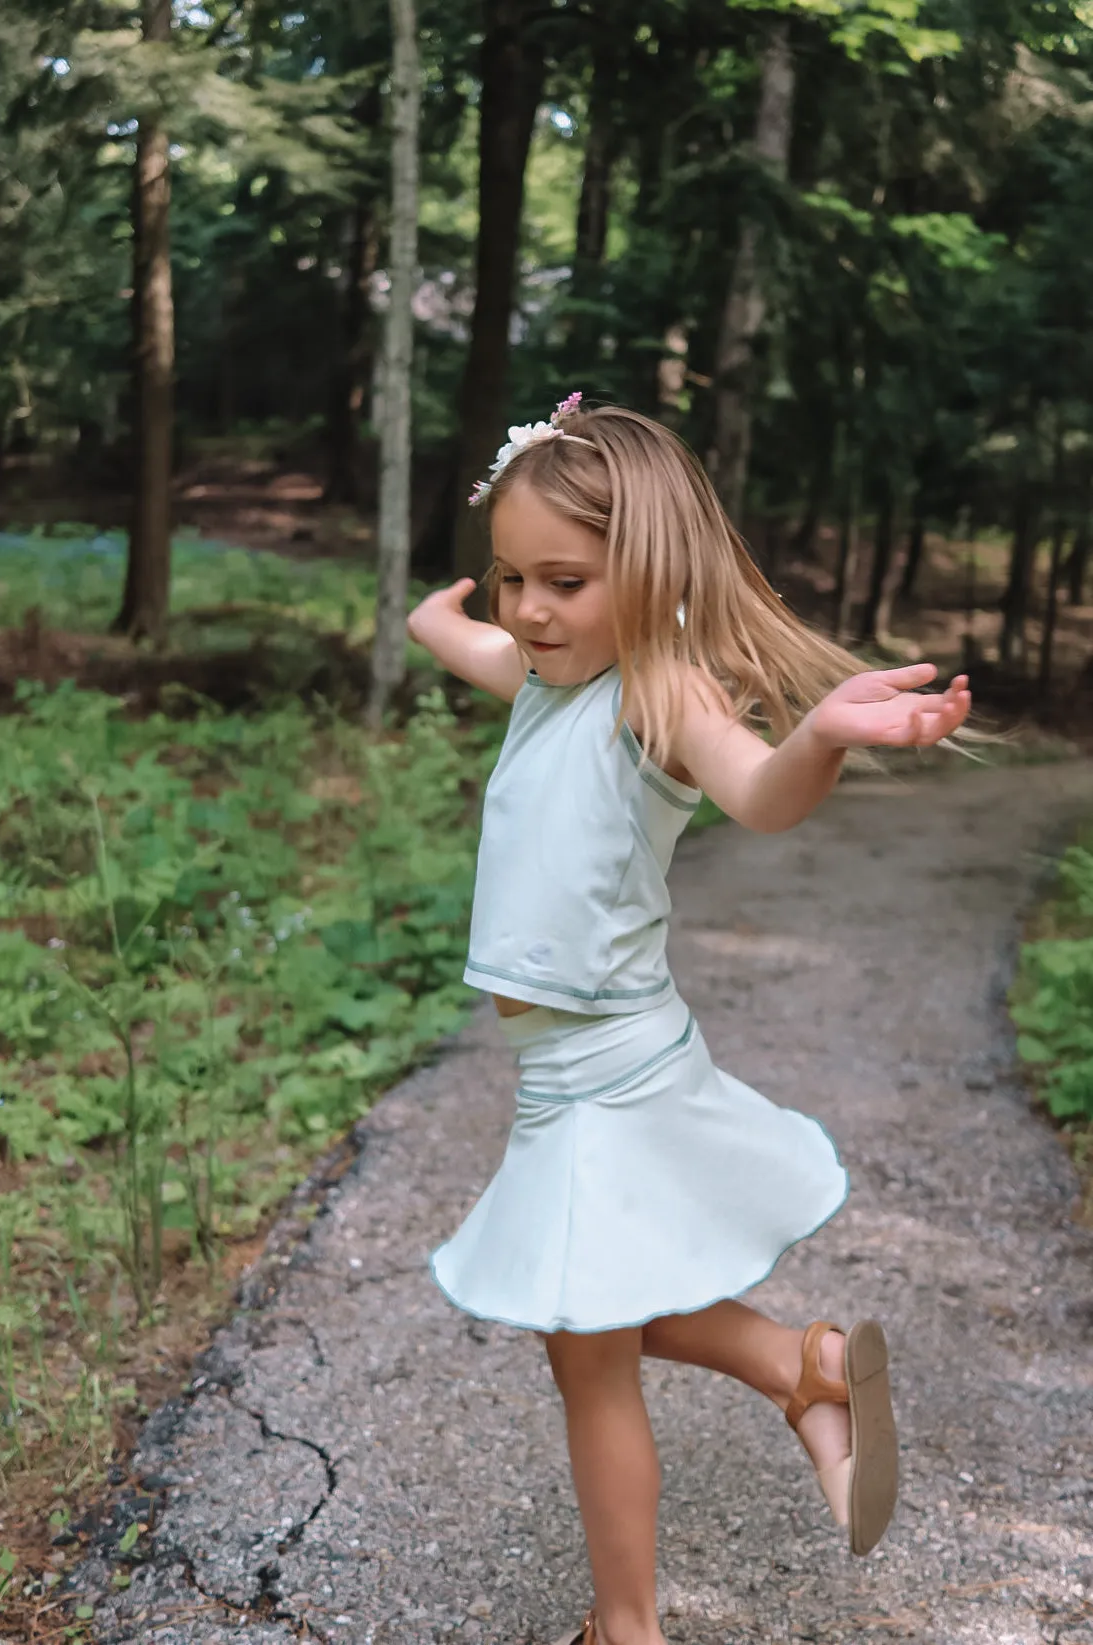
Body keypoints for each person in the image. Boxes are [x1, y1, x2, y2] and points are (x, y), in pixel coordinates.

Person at [407, 396, 971, 1645]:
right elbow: (477, 645)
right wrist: (441, 612)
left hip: (610, 1068)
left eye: (563, 579)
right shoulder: (546, 675)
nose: (529, 609)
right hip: (564, 1070)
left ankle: (625, 1628)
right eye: (510, 578)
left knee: (582, 1349)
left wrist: (818, 734)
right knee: (586, 1305)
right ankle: (800, 1366)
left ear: (649, 574)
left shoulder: (654, 693)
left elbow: (759, 796)